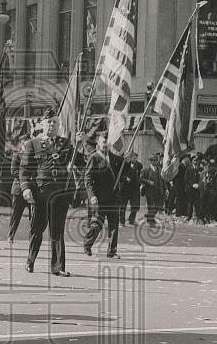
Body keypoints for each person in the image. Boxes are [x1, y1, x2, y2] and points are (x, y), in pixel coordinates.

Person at [19, 108, 75, 276]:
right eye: (49, 122)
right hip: (40, 192)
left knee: (57, 230)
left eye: (55, 122)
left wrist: (80, 144)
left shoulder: (66, 144)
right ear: (42, 124)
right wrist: (26, 188)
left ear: (59, 125)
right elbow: (24, 169)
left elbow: (79, 161)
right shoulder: (33, 144)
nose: (52, 125)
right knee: (37, 228)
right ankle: (30, 259)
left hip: (60, 193)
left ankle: (58, 267)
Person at [83, 130, 122, 259]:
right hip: (99, 197)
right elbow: (88, 178)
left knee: (113, 224)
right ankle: (87, 243)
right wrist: (92, 195)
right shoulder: (93, 158)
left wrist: (126, 160)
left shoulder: (115, 158)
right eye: (104, 141)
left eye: (108, 142)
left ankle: (112, 250)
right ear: (99, 142)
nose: (106, 144)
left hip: (113, 197)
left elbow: (123, 170)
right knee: (97, 223)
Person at [9, 134, 32, 241]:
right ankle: (10, 235)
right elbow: (13, 171)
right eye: (25, 143)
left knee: (34, 216)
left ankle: (32, 236)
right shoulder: (17, 155)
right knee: (16, 214)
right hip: (19, 189)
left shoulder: (34, 155)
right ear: (22, 144)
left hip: (31, 189)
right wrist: (25, 178)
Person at [140, 153, 167, 226]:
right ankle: (151, 221)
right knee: (151, 206)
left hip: (158, 191)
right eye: (153, 160)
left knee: (157, 206)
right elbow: (141, 179)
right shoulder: (146, 170)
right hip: (149, 191)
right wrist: (148, 182)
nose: (155, 162)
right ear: (151, 161)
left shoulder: (159, 169)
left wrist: (166, 189)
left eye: (156, 160)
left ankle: (149, 216)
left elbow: (163, 180)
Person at [119, 150, 142, 225]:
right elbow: (119, 175)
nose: (135, 160)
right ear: (130, 158)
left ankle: (131, 220)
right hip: (125, 188)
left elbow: (139, 176)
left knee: (135, 206)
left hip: (134, 189)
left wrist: (139, 183)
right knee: (123, 206)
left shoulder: (139, 165)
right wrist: (125, 178)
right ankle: (121, 221)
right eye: (133, 158)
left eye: (136, 158)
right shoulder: (124, 165)